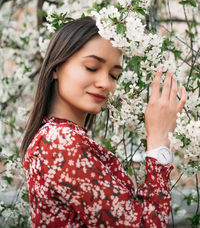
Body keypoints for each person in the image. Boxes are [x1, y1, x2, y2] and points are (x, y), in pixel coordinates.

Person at [21, 16, 187, 228]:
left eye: (114, 75)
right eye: (91, 67)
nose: (105, 83)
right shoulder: (60, 141)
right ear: (56, 67)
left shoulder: (58, 138)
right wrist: (158, 143)